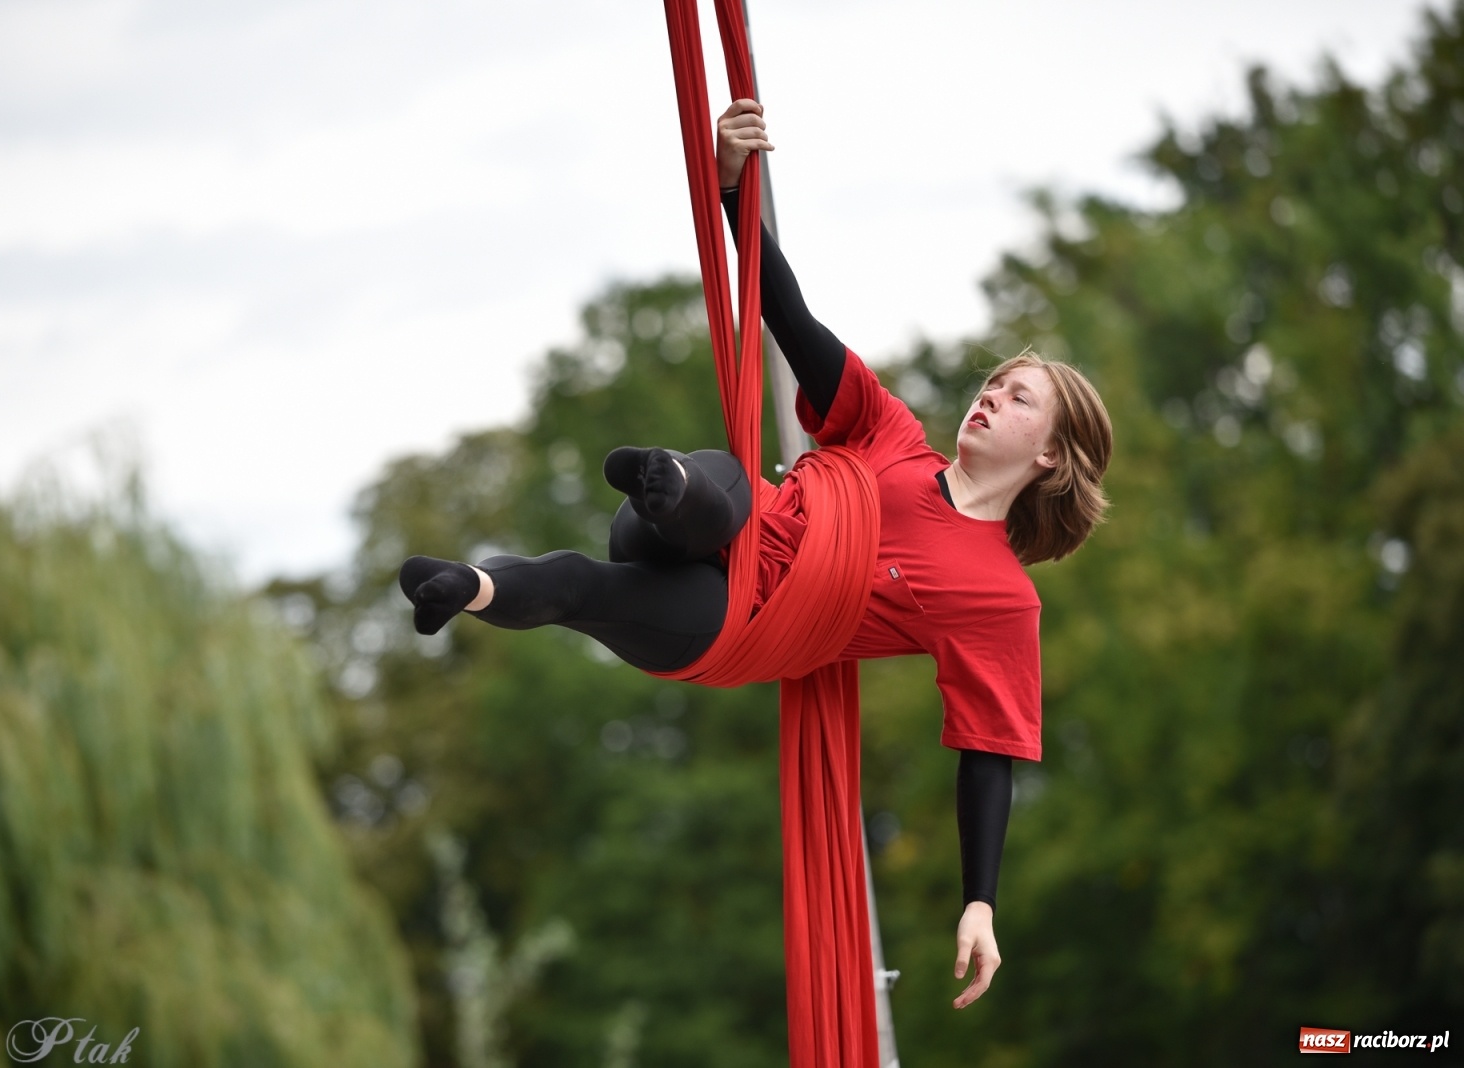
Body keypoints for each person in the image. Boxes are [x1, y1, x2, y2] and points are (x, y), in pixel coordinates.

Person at [400, 99, 1113, 1010]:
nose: (988, 398)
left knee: (582, 587)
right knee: (727, 488)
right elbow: (790, 316)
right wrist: (736, 191)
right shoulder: (892, 436)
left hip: (731, 624)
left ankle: (466, 586)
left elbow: (987, 753)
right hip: (705, 531)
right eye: (994, 384)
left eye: (1018, 401)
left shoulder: (1000, 600)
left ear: (1051, 454)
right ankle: (664, 485)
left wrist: (981, 902)